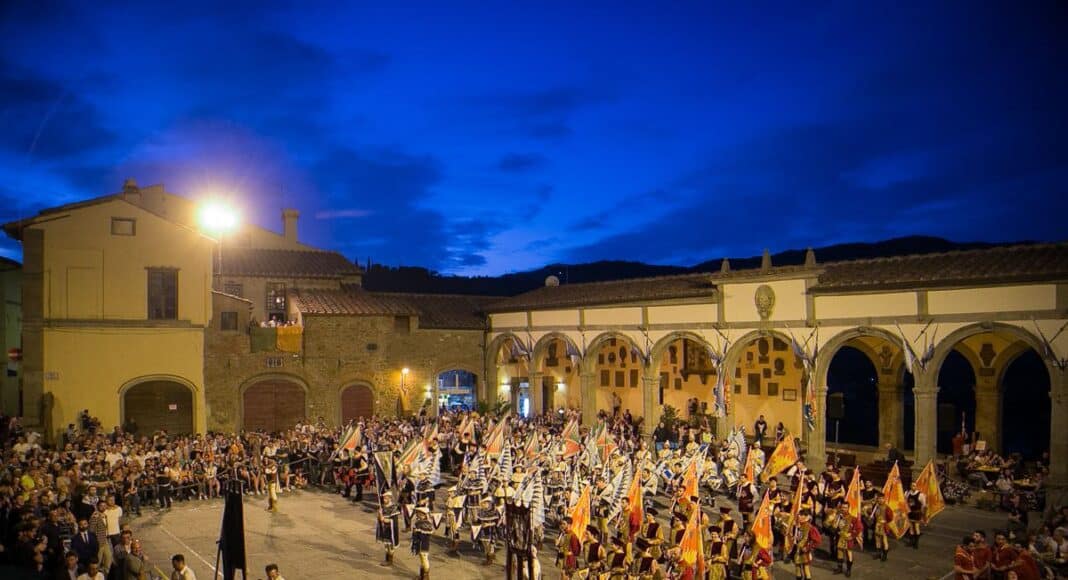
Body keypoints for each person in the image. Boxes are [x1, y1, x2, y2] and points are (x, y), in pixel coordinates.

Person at [904, 481, 926, 549]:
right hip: (910, 513)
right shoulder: (907, 493)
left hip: (916, 513)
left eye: (915, 485)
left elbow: (923, 504)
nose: (914, 487)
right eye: (912, 485)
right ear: (910, 486)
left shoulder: (920, 494)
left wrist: (922, 514)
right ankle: (911, 541)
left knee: (916, 527)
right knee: (910, 527)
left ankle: (916, 543)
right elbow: (905, 502)